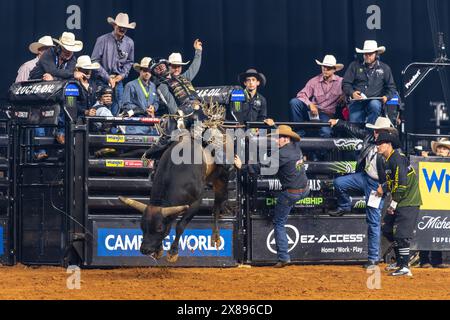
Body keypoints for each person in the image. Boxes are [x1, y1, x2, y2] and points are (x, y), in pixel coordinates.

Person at [234, 122, 310, 268]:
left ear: (286, 139)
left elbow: (261, 167)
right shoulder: (296, 147)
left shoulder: (282, 154)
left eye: (278, 138)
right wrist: (274, 125)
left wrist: (242, 167)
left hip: (291, 193)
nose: (275, 140)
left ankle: (284, 257)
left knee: (278, 222)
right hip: (304, 189)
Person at [328, 117, 398, 269]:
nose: (375, 132)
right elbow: (354, 130)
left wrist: (384, 187)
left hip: (377, 185)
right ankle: (345, 205)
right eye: (375, 130)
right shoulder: (369, 137)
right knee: (339, 183)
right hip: (364, 177)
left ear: (386, 133)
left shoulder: (393, 150)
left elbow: (397, 174)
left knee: (373, 221)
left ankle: (373, 259)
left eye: (378, 130)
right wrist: (339, 122)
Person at [144, 39, 203, 159]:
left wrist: (198, 52)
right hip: (183, 112)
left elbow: (194, 68)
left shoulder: (184, 78)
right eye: (157, 69)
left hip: (198, 109)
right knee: (168, 136)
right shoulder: (162, 85)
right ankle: (153, 155)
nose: (177, 69)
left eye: (179, 67)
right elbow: (170, 103)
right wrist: (179, 116)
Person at [376, 131, 422, 277]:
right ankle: (400, 261)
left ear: (388, 145)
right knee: (388, 229)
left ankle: (405, 266)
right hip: (402, 200)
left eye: (380, 144)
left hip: (408, 201)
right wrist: (384, 187)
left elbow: (401, 184)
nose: (377, 147)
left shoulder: (397, 158)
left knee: (401, 234)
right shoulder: (389, 160)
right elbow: (393, 182)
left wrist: (393, 203)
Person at [29, 32, 84, 146]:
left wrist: (54, 78)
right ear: (60, 47)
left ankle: (61, 133)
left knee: (69, 101)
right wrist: (70, 74)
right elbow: (53, 70)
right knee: (39, 114)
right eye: (66, 49)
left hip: (57, 89)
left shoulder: (72, 58)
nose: (69, 52)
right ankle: (41, 149)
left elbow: (62, 74)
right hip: (39, 87)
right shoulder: (49, 53)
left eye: (71, 50)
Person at [91, 13, 136, 116]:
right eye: (120, 27)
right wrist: (108, 77)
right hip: (102, 81)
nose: (123, 29)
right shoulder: (102, 40)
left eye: (125, 28)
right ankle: (102, 131)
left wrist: (122, 76)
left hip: (118, 81)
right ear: (114, 25)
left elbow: (129, 62)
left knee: (117, 107)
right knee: (102, 108)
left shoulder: (129, 43)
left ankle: (114, 130)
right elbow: (94, 61)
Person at [342, 41, 397, 125]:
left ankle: (370, 133)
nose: (367, 56)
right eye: (365, 54)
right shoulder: (354, 65)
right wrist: (352, 93)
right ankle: (358, 136)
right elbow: (345, 83)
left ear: (376, 54)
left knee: (374, 105)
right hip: (357, 101)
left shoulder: (385, 68)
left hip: (375, 100)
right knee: (354, 123)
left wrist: (387, 96)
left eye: (370, 54)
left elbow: (392, 87)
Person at [290, 55, 345, 138]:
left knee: (326, 132)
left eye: (328, 68)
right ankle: (299, 133)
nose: (325, 70)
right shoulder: (314, 81)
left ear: (334, 69)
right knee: (294, 102)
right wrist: (310, 104)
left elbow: (350, 90)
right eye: (324, 67)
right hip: (313, 112)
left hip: (327, 114)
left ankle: (324, 150)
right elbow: (301, 94)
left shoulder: (341, 82)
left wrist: (344, 95)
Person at [419, 138, 450, 268]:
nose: (441, 151)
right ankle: (424, 260)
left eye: (444, 148)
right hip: (428, 200)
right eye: (439, 148)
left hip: (444, 200)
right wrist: (424, 159)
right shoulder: (428, 161)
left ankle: (438, 260)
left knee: (440, 230)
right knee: (426, 228)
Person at [122, 57, 159, 135]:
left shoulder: (153, 86)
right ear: (140, 71)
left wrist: (154, 107)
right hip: (135, 125)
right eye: (145, 70)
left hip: (150, 126)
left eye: (149, 71)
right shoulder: (130, 85)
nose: (147, 73)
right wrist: (142, 110)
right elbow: (125, 105)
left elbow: (156, 101)